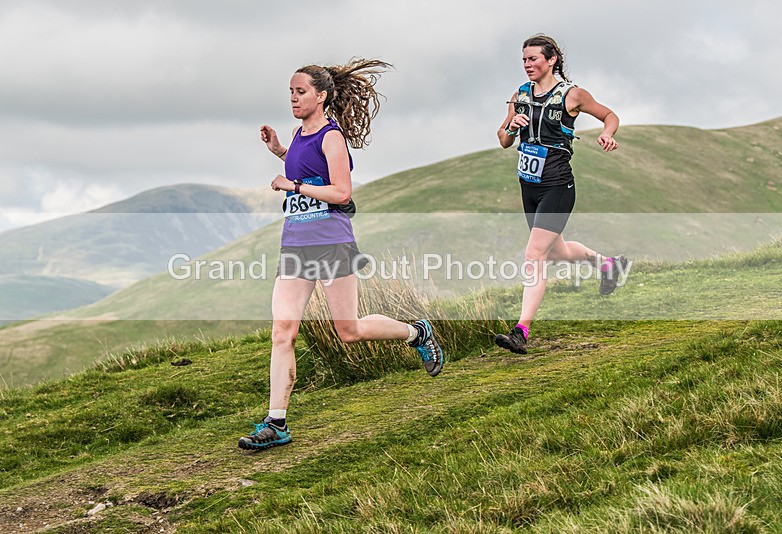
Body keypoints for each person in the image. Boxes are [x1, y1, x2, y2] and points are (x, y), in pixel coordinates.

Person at [238, 58, 444, 450]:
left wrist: (293, 186)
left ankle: (417, 332)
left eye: (300, 92)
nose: (294, 99)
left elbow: (341, 192)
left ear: (322, 96)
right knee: (283, 331)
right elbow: (306, 168)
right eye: (291, 92)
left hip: (331, 243)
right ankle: (276, 423)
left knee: (347, 331)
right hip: (295, 243)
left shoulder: (333, 137)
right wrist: (279, 149)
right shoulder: (300, 134)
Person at [493, 34, 628, 355]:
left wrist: (607, 134)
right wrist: (513, 127)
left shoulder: (572, 94)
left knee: (534, 256)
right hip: (528, 186)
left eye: (533, 59)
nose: (527, 65)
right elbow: (502, 138)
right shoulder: (520, 95)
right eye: (524, 60)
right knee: (556, 252)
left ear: (551, 60)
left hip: (557, 185)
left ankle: (521, 331)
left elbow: (610, 115)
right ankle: (609, 265)